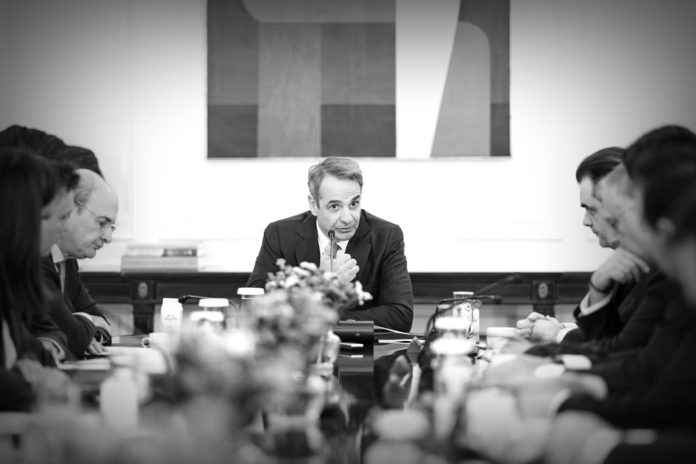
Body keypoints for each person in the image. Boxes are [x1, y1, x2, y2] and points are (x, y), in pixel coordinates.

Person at [516, 148, 665, 363]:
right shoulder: (627, 260)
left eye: (592, 209)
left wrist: (555, 336)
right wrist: (562, 330)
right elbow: (608, 335)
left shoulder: (661, 268)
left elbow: (617, 349)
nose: (586, 221)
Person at [247, 156, 414, 332]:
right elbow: (254, 307)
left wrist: (324, 320)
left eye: (354, 204)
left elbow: (400, 315)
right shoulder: (279, 235)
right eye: (334, 206)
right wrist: (321, 283)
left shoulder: (386, 236)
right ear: (314, 205)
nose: (348, 218)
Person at [0, 147, 71, 411]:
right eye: (59, 217)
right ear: (25, 218)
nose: (63, 227)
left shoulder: (10, 280)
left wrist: (28, 362)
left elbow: (32, 349)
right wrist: (29, 384)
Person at [45, 168, 119, 356]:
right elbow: (74, 336)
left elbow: (101, 322)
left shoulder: (68, 261)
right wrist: (85, 321)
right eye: (102, 223)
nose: (108, 237)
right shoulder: (35, 258)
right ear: (70, 209)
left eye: (111, 227)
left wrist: (82, 323)